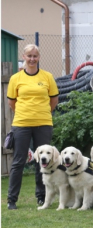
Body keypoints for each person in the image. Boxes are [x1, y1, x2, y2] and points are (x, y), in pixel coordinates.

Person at [6, 44, 59, 210]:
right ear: (24, 56)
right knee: (18, 161)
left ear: (39, 57)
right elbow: (11, 102)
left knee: (42, 161)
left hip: (43, 124)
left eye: (35, 56)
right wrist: (25, 114)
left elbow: (54, 100)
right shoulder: (16, 78)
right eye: (29, 56)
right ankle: (12, 200)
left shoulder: (47, 76)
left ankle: (41, 197)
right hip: (21, 124)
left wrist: (43, 113)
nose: (32, 59)